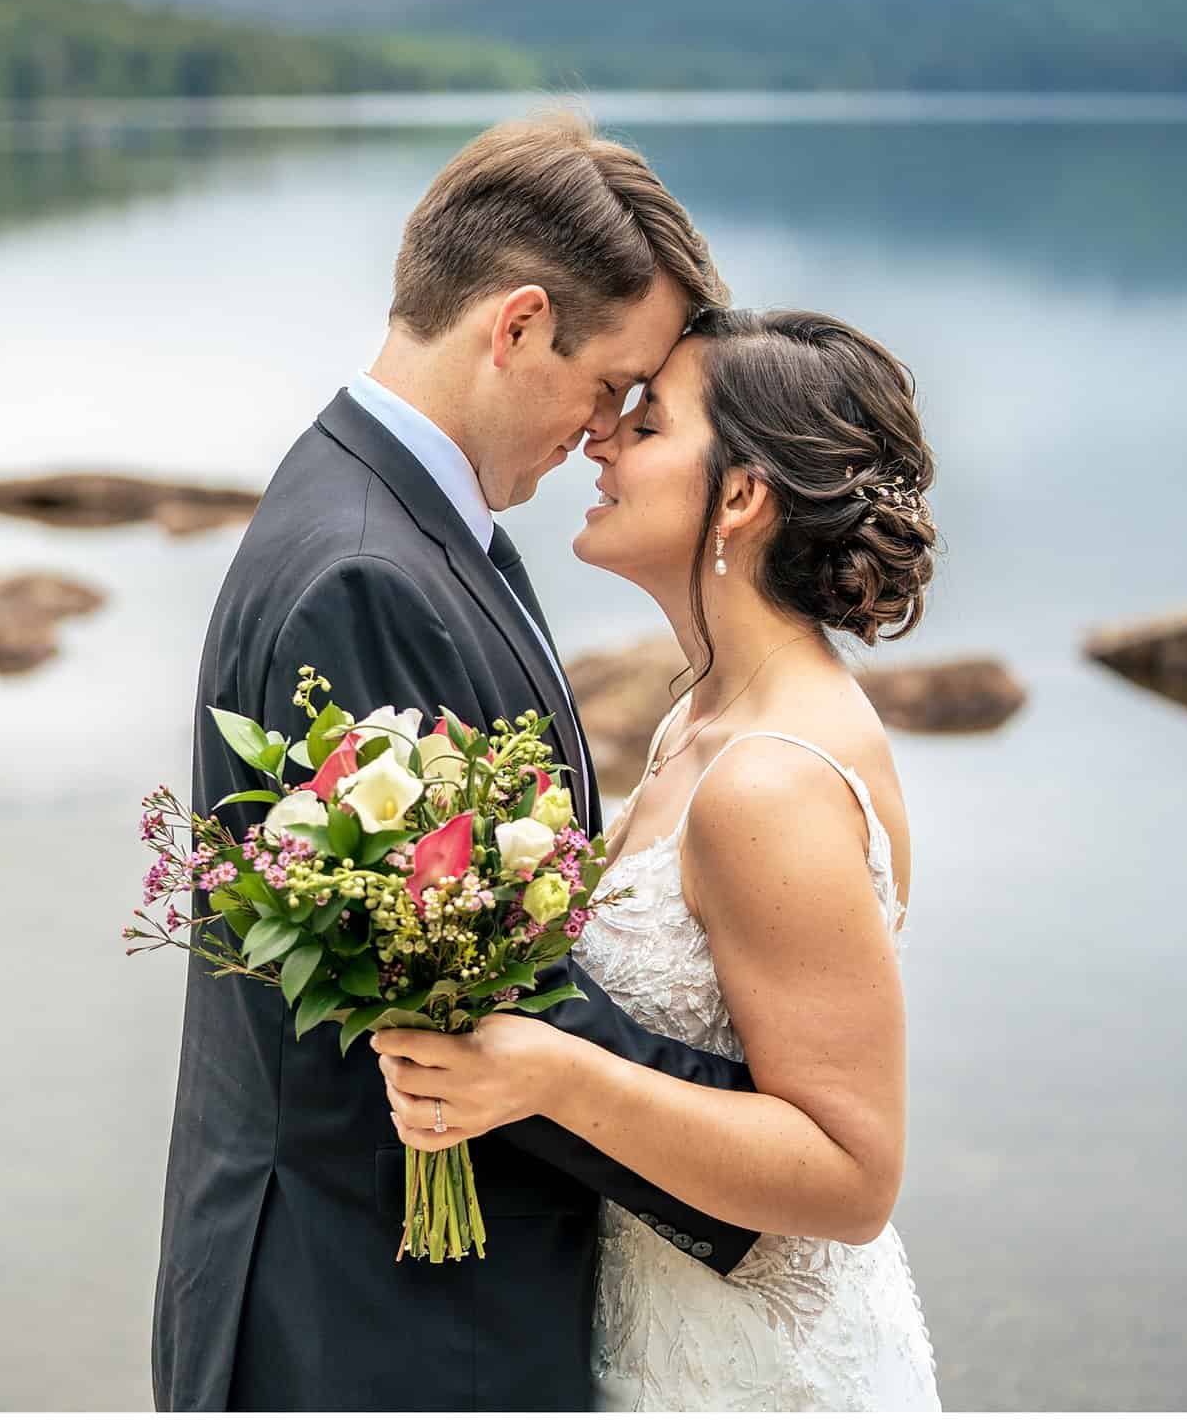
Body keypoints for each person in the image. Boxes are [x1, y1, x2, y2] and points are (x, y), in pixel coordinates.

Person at [153, 110, 764, 1412]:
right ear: (519, 324)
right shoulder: (364, 571)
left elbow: (464, 942)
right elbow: (474, 1004)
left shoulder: (395, 507)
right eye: (611, 386)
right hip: (369, 1319)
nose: (606, 433)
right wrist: (770, 1157)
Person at [374, 307, 942, 1409]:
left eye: (647, 422)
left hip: (755, 1372)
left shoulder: (767, 781)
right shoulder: (702, 713)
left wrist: (549, 1070)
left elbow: (851, 1175)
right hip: (659, 1330)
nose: (601, 440)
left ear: (739, 495)